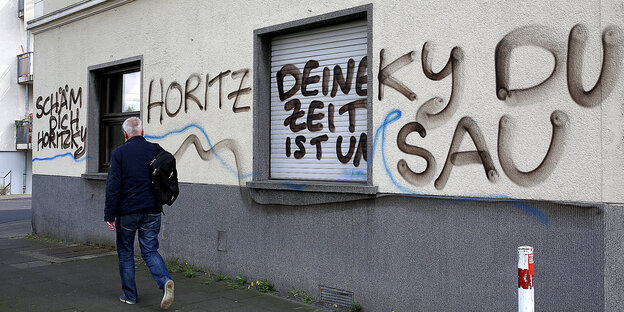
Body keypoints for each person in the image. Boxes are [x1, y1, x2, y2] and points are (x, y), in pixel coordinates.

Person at [104, 117, 174, 309]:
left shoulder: (119, 153)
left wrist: (109, 214)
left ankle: (130, 295)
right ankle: (164, 281)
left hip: (127, 211)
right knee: (150, 250)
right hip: (152, 210)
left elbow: (113, 186)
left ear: (125, 134)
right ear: (142, 132)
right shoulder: (155, 149)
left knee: (125, 253)